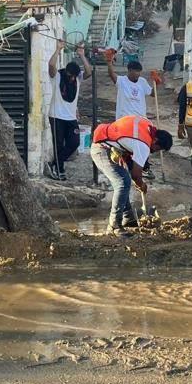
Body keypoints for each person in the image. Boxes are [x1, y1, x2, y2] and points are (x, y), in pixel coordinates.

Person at [91, 115, 172, 237]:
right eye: (157, 149)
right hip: (102, 148)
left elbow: (130, 140)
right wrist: (141, 185)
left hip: (112, 145)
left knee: (125, 181)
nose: (154, 151)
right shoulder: (144, 145)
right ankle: (114, 226)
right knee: (123, 183)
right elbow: (135, 174)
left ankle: (128, 218)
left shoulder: (148, 126)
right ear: (155, 141)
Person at [47, 40, 92, 181]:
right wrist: (58, 49)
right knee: (58, 145)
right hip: (56, 116)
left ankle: (54, 163)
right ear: (66, 72)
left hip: (71, 118)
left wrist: (82, 55)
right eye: (70, 76)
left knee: (74, 142)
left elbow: (89, 72)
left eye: (74, 76)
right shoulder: (58, 76)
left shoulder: (77, 78)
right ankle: (59, 169)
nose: (72, 78)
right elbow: (51, 65)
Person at [106, 55, 153, 120]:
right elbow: (111, 74)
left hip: (140, 118)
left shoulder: (142, 81)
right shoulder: (121, 80)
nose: (139, 74)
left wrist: (157, 83)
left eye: (139, 71)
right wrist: (109, 62)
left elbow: (153, 94)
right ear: (130, 70)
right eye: (137, 71)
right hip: (124, 119)